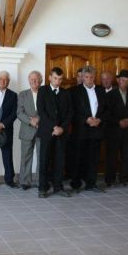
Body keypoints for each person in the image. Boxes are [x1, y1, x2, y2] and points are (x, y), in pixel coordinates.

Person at [37, 67, 73, 198]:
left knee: (59, 161)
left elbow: (70, 113)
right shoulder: (42, 91)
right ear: (50, 78)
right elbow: (41, 111)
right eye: (55, 78)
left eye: (60, 79)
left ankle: (58, 187)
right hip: (47, 132)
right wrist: (54, 127)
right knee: (44, 160)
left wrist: (62, 128)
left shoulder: (66, 93)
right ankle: (43, 188)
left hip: (61, 133)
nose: (58, 81)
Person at [70, 66, 107, 192]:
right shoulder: (75, 91)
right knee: (78, 157)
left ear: (94, 77)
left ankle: (91, 183)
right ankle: (76, 183)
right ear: (82, 77)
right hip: (81, 130)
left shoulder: (101, 90)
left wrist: (99, 120)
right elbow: (72, 111)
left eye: (91, 77)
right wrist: (85, 119)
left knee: (93, 158)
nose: (89, 79)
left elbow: (107, 110)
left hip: (96, 129)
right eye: (86, 77)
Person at [105, 69, 128, 186]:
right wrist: (118, 122)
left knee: (126, 156)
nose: (124, 82)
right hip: (114, 130)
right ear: (118, 80)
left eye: (126, 80)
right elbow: (106, 113)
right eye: (122, 80)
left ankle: (124, 178)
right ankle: (110, 179)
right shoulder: (110, 95)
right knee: (112, 156)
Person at [17, 70, 42, 190]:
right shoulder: (23, 94)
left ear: (41, 80)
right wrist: (30, 121)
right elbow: (19, 112)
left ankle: (40, 180)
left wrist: (38, 119)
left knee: (42, 156)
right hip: (27, 129)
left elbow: (48, 110)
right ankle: (25, 181)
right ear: (29, 81)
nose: (34, 81)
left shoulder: (45, 93)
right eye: (31, 79)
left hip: (41, 129)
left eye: (36, 79)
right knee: (26, 156)